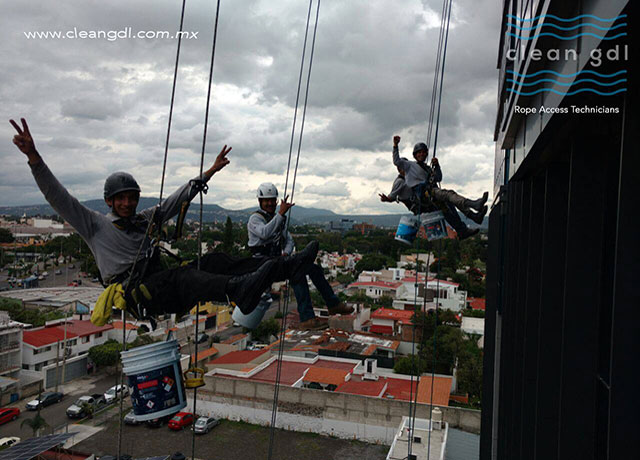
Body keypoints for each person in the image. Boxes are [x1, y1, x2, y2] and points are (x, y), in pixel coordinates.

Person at [10, 118, 314, 324]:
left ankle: (286, 267)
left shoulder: (144, 220)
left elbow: (174, 202)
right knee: (184, 277)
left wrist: (209, 173)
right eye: (120, 199)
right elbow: (59, 198)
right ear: (109, 202)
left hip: (160, 285)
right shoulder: (95, 225)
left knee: (216, 260)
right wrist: (34, 157)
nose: (127, 203)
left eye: (131, 198)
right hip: (140, 293)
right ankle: (238, 290)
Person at [248, 182, 353, 330]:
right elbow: (265, 233)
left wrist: (286, 253)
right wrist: (280, 214)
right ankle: (308, 317)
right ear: (260, 201)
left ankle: (332, 304)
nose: (270, 203)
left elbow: (289, 241)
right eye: (267, 201)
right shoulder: (255, 219)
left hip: (276, 262)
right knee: (297, 271)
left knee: (312, 268)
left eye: (272, 200)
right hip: (262, 265)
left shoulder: (277, 219)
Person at [391, 135, 488, 225]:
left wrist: (437, 166)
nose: (421, 154)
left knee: (450, 204)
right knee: (449, 194)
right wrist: (395, 145)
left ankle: (474, 217)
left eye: (423, 152)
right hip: (424, 194)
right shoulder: (409, 165)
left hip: (430, 192)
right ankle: (474, 204)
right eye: (419, 152)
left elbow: (438, 178)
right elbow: (396, 161)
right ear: (415, 155)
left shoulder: (427, 168)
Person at [379, 160, 479, 240]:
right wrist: (387, 199)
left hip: (421, 203)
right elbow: (392, 197)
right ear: (399, 169)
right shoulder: (399, 182)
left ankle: (466, 225)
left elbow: (435, 178)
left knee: (448, 204)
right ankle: (464, 227)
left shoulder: (410, 178)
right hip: (419, 205)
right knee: (445, 207)